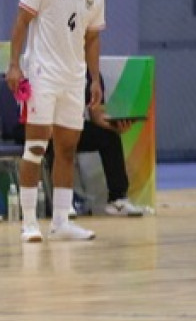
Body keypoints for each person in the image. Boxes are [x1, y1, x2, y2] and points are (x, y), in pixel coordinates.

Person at [7, 0, 108, 242]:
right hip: (42, 76)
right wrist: (13, 65)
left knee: (67, 149)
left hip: (74, 79)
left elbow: (91, 38)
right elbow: (22, 21)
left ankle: (62, 222)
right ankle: (28, 221)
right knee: (36, 147)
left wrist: (94, 79)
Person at [44, 73, 149, 216]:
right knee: (58, 140)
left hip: (74, 126)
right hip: (45, 126)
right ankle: (62, 202)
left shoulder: (92, 75)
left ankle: (117, 199)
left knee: (109, 137)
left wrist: (115, 125)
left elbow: (97, 115)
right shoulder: (53, 68)